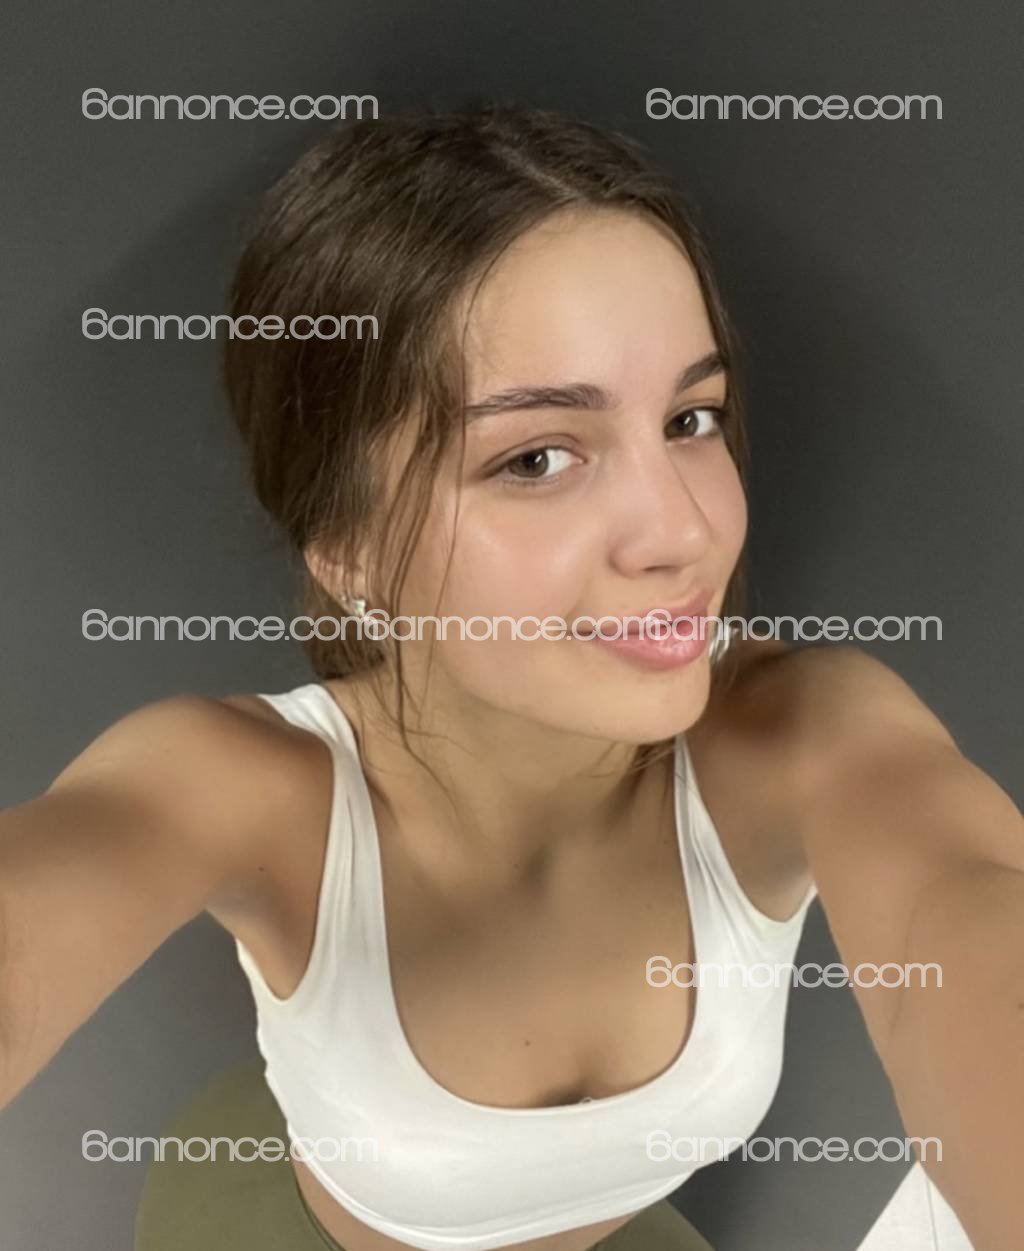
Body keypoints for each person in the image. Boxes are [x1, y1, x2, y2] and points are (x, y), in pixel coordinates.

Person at [1, 103, 1021, 1251]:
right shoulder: (240, 784)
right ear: (346, 548)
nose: (683, 532)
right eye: (535, 458)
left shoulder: (804, 735)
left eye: (691, 419)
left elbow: (971, 917)